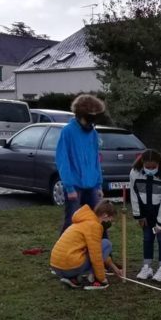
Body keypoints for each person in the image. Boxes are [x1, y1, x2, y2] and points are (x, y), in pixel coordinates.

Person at [56, 94, 106, 233]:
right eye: (89, 119)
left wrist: (98, 184)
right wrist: (69, 187)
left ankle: (103, 251)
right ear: (79, 115)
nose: (91, 123)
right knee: (72, 222)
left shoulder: (93, 133)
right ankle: (64, 252)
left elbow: (95, 160)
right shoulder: (68, 132)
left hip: (92, 186)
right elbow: (63, 160)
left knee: (98, 219)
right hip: (75, 187)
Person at [50, 200, 122, 290]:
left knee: (101, 245)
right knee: (106, 244)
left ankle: (72, 279)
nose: (111, 221)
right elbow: (96, 255)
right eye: (111, 218)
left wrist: (114, 268)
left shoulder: (84, 220)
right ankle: (93, 280)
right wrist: (101, 279)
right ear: (105, 215)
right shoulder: (95, 226)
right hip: (69, 267)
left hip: (56, 267)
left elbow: (99, 250)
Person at [129, 149, 161, 283]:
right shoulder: (134, 173)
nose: (150, 169)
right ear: (142, 163)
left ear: (158, 163)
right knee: (148, 236)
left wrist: (160, 223)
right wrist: (139, 215)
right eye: (147, 167)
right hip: (145, 210)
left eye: (153, 167)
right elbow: (134, 194)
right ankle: (147, 267)